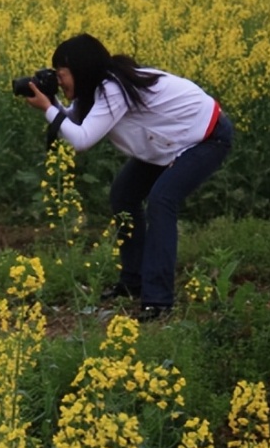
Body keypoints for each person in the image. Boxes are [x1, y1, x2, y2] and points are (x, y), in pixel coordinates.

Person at [21, 33, 233, 320]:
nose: (59, 82)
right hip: (167, 144)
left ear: (81, 70)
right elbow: (74, 123)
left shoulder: (113, 89)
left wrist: (48, 109)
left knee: (161, 201)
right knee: (124, 194)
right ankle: (133, 282)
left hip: (205, 137)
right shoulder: (97, 90)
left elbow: (81, 140)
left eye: (62, 75)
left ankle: (158, 301)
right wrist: (52, 102)